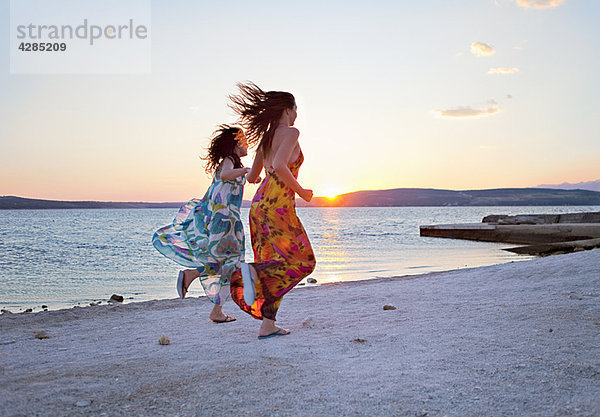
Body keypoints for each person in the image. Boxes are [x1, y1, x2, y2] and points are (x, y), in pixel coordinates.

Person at [228, 82, 316, 339]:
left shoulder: (265, 140)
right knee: (305, 262)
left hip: (258, 207)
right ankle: (253, 272)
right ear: (288, 110)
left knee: (275, 266)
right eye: (295, 108)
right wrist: (301, 191)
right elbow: (278, 164)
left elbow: (253, 177)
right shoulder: (291, 132)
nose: (297, 113)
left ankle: (268, 323)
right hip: (278, 206)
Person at [152, 125, 257, 323]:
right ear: (235, 143)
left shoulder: (234, 163)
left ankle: (192, 276)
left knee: (222, 263)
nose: (247, 144)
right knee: (233, 264)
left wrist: (250, 174)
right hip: (225, 222)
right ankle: (216, 309)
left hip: (227, 222)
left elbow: (228, 181)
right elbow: (226, 175)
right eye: (243, 140)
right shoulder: (229, 161)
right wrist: (245, 170)